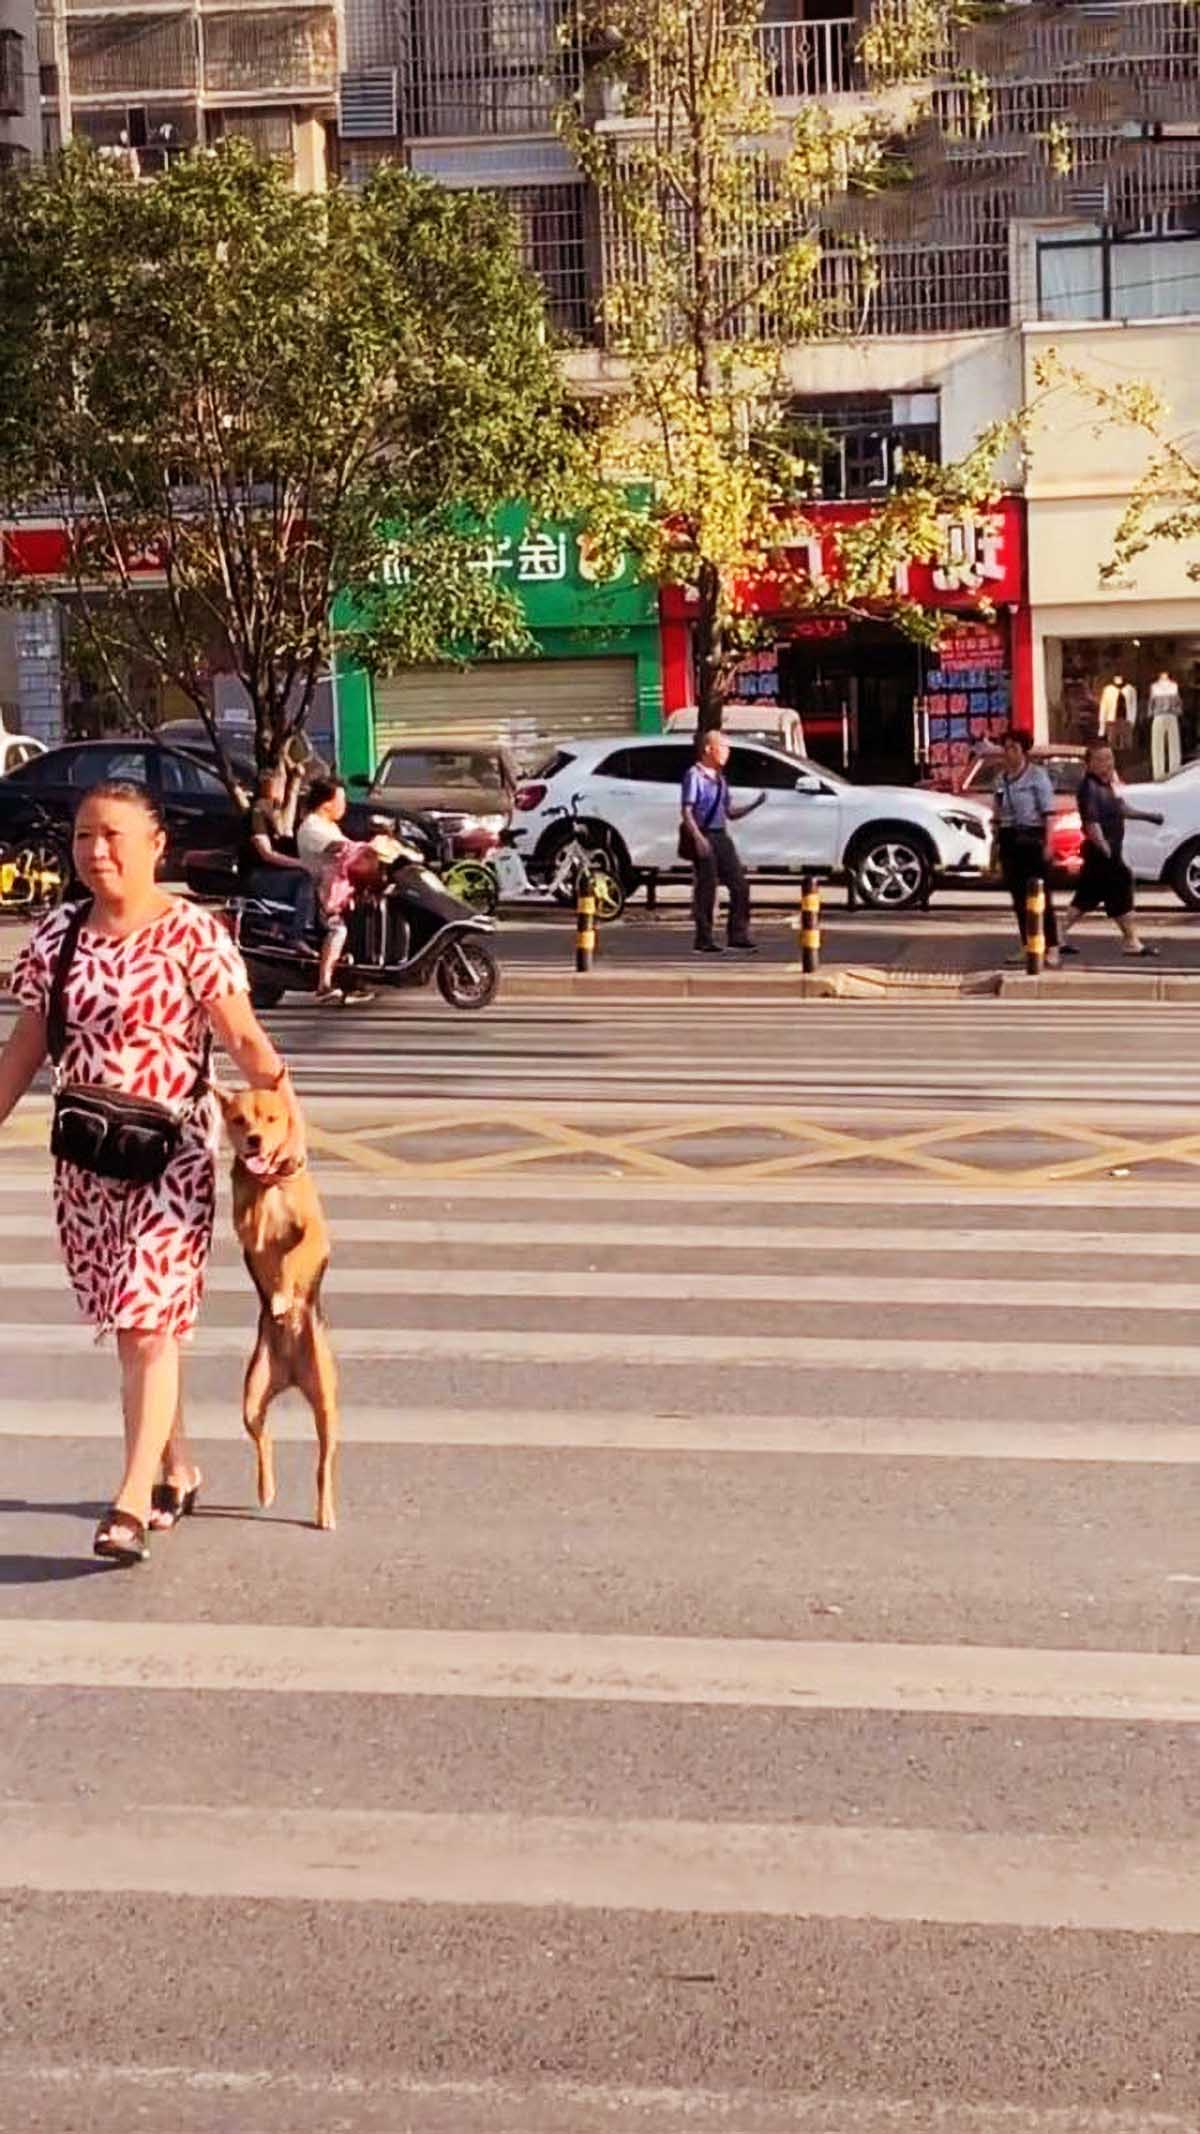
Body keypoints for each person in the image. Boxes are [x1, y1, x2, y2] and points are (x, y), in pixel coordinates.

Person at [0, 780, 307, 1564]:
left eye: (112, 836)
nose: (96, 852)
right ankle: (176, 1466)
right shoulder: (59, 933)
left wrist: (286, 1120)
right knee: (139, 1330)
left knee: (146, 1321)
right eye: (81, 838)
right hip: (86, 1162)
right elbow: (26, 1048)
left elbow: (242, 1039)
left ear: (155, 844)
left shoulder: (192, 936)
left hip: (169, 1160)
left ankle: (129, 1501)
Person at [1060, 741, 1164, 960]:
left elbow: (1120, 808)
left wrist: (1149, 816)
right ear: (1088, 764)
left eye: (1109, 758)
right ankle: (1131, 942)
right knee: (1120, 889)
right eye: (1100, 759)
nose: (1106, 763)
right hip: (1102, 852)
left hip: (1107, 851)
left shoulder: (1106, 785)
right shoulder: (1089, 788)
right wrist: (1104, 847)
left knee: (1086, 897)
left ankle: (1057, 936)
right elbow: (1091, 822)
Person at [680, 731, 765, 955]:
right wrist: (698, 838)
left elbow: (729, 812)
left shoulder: (720, 779)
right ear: (709, 749)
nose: (727, 752)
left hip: (721, 835)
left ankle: (738, 935)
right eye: (723, 747)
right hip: (704, 834)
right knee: (707, 889)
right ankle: (704, 938)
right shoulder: (694, 775)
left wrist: (754, 805)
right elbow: (686, 811)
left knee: (740, 886)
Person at [296, 776, 373, 1006]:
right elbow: (340, 847)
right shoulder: (312, 827)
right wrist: (369, 846)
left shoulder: (328, 825)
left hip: (341, 887)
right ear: (326, 804)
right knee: (337, 929)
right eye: (340, 800)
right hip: (323, 891)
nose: (344, 806)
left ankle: (356, 976)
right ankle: (324, 984)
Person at [993, 730, 1061, 968]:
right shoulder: (1002, 779)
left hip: (1032, 837)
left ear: (1024, 751)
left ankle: (1051, 947)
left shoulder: (1036, 777)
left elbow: (1049, 813)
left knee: (1041, 896)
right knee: (1019, 897)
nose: (1008, 753)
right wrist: (995, 843)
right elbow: (997, 811)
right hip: (1010, 837)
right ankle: (1028, 945)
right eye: (1006, 748)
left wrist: (1049, 843)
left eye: (1013, 748)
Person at [239, 766, 316, 942]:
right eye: (280, 781)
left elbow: (286, 833)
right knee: (306, 878)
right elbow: (267, 854)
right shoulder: (257, 812)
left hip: (273, 872)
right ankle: (299, 933)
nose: (283, 785)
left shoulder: (274, 811)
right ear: (267, 785)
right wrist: (302, 864)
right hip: (258, 876)